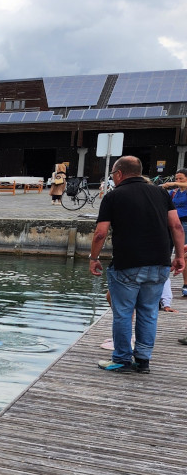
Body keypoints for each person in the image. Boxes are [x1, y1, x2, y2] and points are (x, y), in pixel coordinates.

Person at [90, 156, 185, 373]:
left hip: (127, 263)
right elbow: (177, 226)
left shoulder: (113, 196)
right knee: (149, 312)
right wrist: (179, 256)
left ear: (119, 174)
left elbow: (100, 233)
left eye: (113, 175)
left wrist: (94, 258)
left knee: (123, 313)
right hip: (160, 263)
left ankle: (122, 359)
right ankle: (143, 361)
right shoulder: (161, 193)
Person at [161, 168, 187, 296]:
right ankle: (162, 281)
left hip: (185, 224)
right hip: (172, 224)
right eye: (176, 178)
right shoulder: (174, 193)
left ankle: (186, 284)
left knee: (184, 254)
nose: (178, 181)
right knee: (166, 250)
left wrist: (173, 183)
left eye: (181, 178)